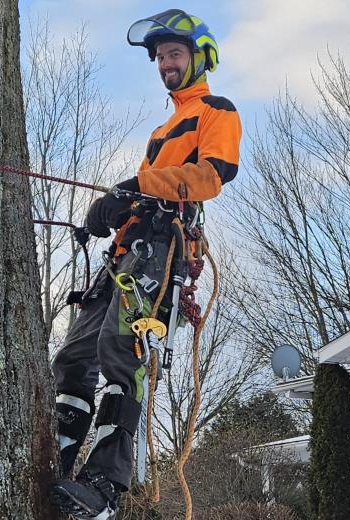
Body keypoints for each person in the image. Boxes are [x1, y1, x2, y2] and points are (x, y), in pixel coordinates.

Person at [49, 8, 241, 519]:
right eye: (159, 57)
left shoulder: (215, 110)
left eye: (174, 54)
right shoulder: (162, 130)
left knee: (120, 348)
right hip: (124, 254)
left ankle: (106, 486)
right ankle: (58, 461)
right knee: (73, 358)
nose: (165, 64)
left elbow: (212, 175)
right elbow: (144, 192)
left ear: (200, 57)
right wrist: (107, 211)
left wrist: (136, 188)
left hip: (163, 249)